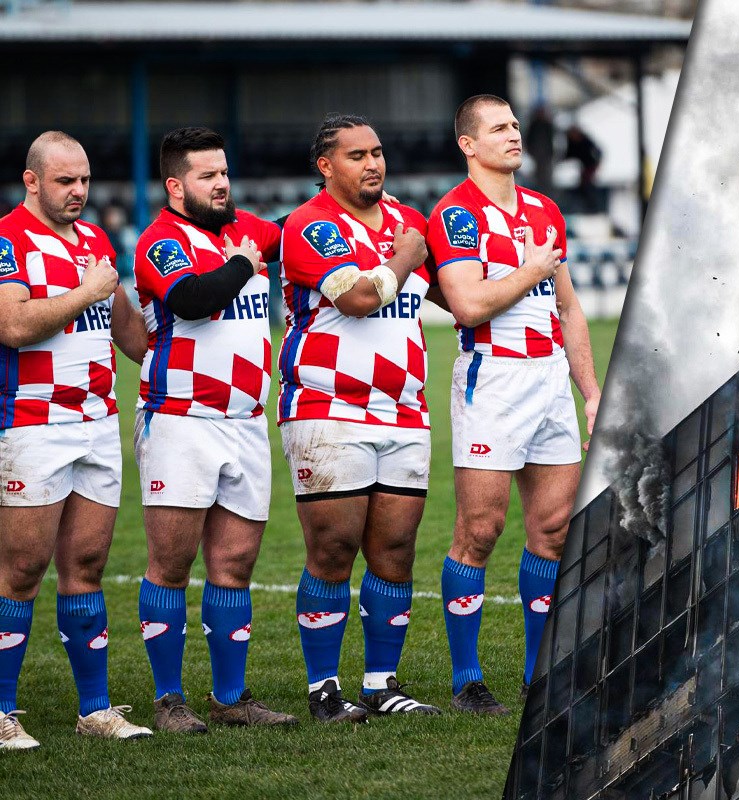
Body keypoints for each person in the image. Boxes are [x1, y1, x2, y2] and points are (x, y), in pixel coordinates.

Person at [427, 95, 601, 715]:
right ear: (468, 145)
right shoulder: (455, 215)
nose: (514, 135)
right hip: (492, 381)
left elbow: (569, 307)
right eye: (499, 128)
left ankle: (539, 676)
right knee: (480, 530)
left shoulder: (544, 210)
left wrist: (590, 392)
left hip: (550, 379)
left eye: (516, 125)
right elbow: (468, 306)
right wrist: (530, 270)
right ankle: (467, 679)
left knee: (554, 532)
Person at [132, 127, 297, 733]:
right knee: (170, 564)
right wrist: (242, 262)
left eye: (224, 172)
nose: (222, 183)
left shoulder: (249, 228)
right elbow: (194, 300)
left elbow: (299, 226)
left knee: (235, 563)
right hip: (181, 422)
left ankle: (232, 698)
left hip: (247, 423)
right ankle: (169, 699)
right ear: (177, 185)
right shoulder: (160, 241)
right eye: (207, 175)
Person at [279, 114, 439, 723]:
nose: (373, 164)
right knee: (334, 547)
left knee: (395, 548)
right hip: (327, 409)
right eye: (356, 155)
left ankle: (381, 683)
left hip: (405, 411)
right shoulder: (309, 225)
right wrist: (403, 259)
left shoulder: (409, 220)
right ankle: (324, 688)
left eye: (377, 152)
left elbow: (445, 291)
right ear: (327, 166)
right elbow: (360, 298)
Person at [0, 131, 151, 749]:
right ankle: (3, 710)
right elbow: (11, 325)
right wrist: (87, 291)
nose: (78, 192)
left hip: (96, 423)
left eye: (84, 180)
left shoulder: (94, 239)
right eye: (65, 181)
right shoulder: (7, 238)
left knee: (85, 567)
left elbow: (130, 336)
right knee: (21, 570)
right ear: (32, 180)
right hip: (31, 424)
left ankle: (95, 708)